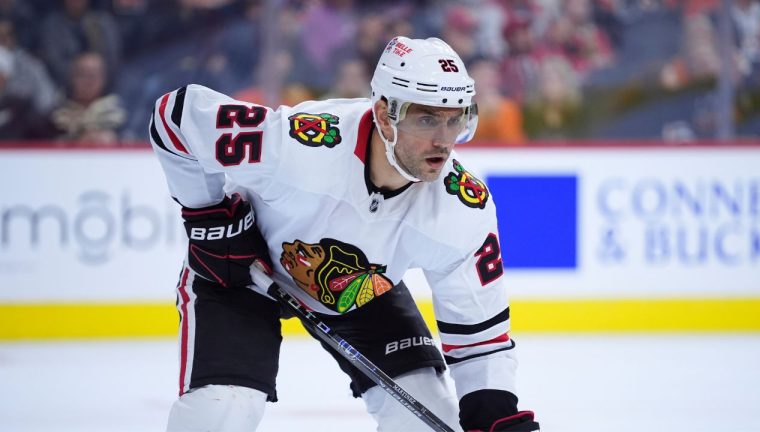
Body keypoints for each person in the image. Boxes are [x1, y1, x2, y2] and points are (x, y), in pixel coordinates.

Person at [149, 36, 539, 432]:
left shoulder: (461, 209)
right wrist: (209, 216)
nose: (444, 140)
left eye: (455, 118)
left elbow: (481, 343)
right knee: (222, 412)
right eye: (426, 119)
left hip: (360, 286)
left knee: (428, 420)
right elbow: (176, 115)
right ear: (385, 115)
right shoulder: (300, 144)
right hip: (242, 272)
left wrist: (494, 414)